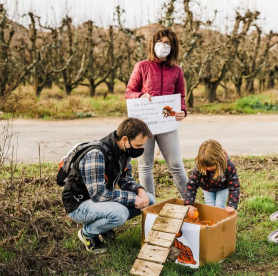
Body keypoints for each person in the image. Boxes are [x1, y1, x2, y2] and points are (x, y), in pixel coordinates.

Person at [61, 118, 155, 253]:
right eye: (138, 146)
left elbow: (125, 180)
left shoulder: (124, 152)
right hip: (78, 205)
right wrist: (133, 198)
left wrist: (140, 190)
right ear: (124, 139)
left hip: (97, 201)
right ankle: (88, 233)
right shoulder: (96, 154)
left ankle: (103, 227)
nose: (141, 150)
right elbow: (99, 194)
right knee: (120, 213)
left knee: (149, 200)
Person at [125, 29, 187, 199]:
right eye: (160, 42)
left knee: (176, 164)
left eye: (168, 43)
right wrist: (140, 96)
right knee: (145, 166)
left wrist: (182, 110)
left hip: (167, 124)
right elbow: (129, 92)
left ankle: (190, 202)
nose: (163, 46)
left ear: (173, 47)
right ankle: (150, 206)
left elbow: (181, 96)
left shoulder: (177, 70)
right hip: (144, 125)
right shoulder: (142, 66)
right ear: (153, 44)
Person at [183, 140, 240, 217]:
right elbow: (191, 185)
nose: (207, 168)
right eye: (205, 166)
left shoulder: (228, 166)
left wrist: (231, 205)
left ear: (218, 160)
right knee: (209, 206)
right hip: (207, 188)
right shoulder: (200, 167)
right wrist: (189, 204)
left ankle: (219, 222)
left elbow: (234, 185)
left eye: (210, 166)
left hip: (222, 188)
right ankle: (212, 223)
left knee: (219, 205)